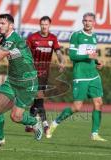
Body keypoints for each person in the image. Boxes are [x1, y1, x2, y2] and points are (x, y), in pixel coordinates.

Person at [0, 13, 43, 149]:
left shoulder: (13, 40)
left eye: (3, 23)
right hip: (12, 80)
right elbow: (0, 38)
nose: (0, 25)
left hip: (27, 82)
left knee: (15, 117)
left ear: (11, 26)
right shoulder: (6, 38)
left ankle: (35, 122)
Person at [46, 12, 107, 141]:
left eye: (90, 21)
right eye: (85, 20)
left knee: (99, 103)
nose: (87, 23)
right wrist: (87, 57)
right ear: (82, 22)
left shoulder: (94, 36)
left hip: (94, 75)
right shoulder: (76, 36)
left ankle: (94, 134)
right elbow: (73, 56)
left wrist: (97, 62)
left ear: (94, 22)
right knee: (77, 107)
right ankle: (54, 123)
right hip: (81, 76)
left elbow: (91, 55)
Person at [25, 16, 65, 134]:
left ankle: (29, 123)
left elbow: (58, 52)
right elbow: (26, 53)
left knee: (38, 100)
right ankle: (45, 124)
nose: (44, 26)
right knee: (39, 98)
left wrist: (61, 61)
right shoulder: (32, 38)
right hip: (32, 73)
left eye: (46, 24)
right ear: (39, 25)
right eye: (42, 24)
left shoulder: (53, 38)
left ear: (49, 25)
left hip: (44, 74)